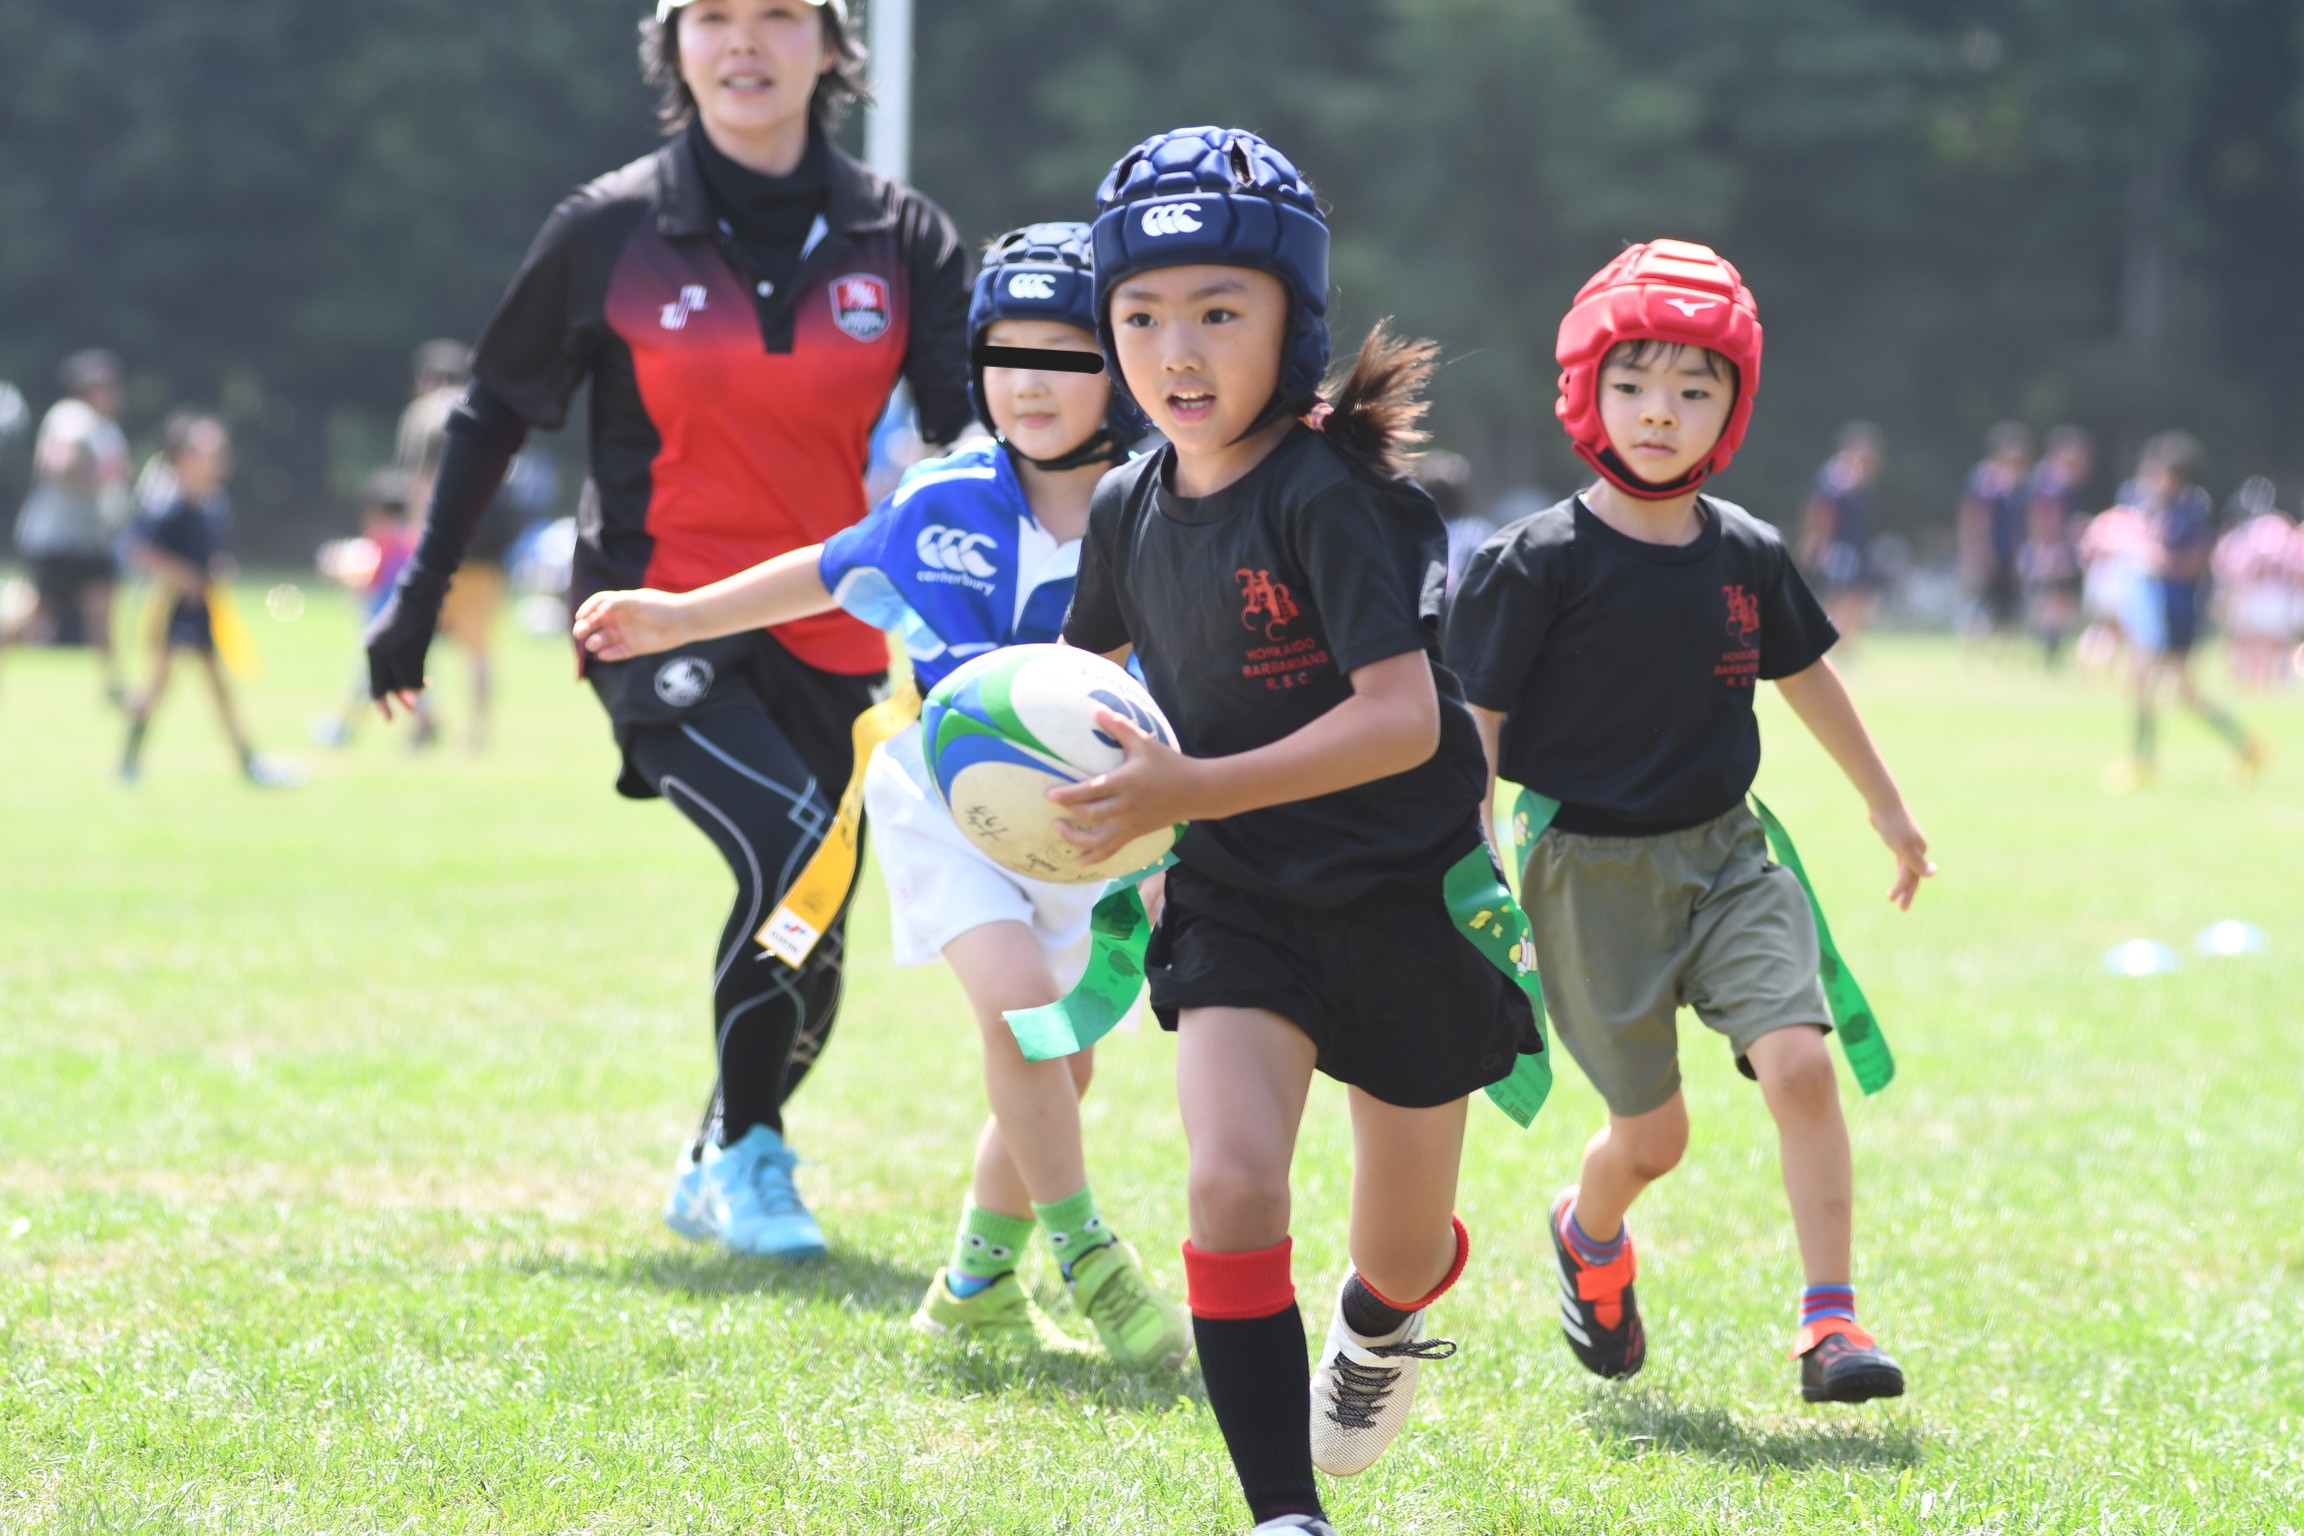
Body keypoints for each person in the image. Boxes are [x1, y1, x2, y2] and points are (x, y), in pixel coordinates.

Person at [364, 0, 971, 1259]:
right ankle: (752, 1158)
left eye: (779, 15)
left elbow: (974, 426)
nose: (744, 41)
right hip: (652, 616)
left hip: (832, 624)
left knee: (818, 907)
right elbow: (490, 414)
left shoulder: (903, 235)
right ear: (673, 42)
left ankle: (716, 1150)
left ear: (830, 44)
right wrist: (415, 603)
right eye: (712, 16)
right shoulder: (607, 228)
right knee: (791, 845)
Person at [571, 223, 1190, 1366]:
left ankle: (971, 1289)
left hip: (1098, 833)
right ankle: (1089, 1256)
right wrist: (679, 614)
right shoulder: (944, 496)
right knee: (1022, 1019)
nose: (1029, 384)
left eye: (1065, 357)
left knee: (1064, 1060)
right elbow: (827, 568)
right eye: (1005, 356)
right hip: (943, 809)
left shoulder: (1172, 507)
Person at [1049, 127, 1543, 1536]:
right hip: (1240, 898)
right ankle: (1284, 1514)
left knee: (1400, 1248)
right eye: (1141, 317)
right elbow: (1078, 689)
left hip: (1406, 899)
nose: (1177, 351)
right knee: (1228, 1182)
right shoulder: (1128, 506)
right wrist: (1007, 775)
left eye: (1219, 312)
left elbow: (1401, 722)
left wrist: (1185, 788)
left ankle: (1384, 1318)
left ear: (1292, 324)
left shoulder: (1336, 496)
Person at [1446, 239, 1934, 1407]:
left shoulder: (1747, 552)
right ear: (1588, 394)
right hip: (1583, 874)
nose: (1660, 412)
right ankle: (1589, 1232)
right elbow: (1479, 727)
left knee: (1800, 1064)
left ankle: (1831, 1324)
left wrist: (1886, 804)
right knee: (1653, 1140)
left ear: (1731, 409)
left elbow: (1807, 675)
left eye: (1691, 389)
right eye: (1633, 385)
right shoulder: (1534, 562)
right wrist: (1472, 858)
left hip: (1727, 855)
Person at [118, 413, 299, 787]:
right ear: (182, 457)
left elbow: (206, 554)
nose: (218, 459)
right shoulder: (168, 505)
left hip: (201, 609)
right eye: (207, 451)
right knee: (158, 686)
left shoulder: (213, 504)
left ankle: (247, 761)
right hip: (172, 609)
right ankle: (129, 763)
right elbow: (139, 550)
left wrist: (215, 568)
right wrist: (183, 576)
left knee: (216, 688)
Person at [2108, 433, 2266, 790]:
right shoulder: (2153, 506)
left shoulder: (2192, 510)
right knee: (2174, 690)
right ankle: (2245, 745)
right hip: (2155, 608)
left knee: (2151, 682)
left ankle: (2141, 762)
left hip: (2177, 610)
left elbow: (2196, 563)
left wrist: (2158, 562)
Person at [11, 350, 134, 703]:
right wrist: (96, 480)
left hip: (92, 539)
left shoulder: (106, 428)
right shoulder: (71, 417)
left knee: (103, 611)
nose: (113, 393)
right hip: (60, 539)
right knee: (37, 616)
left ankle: (114, 687)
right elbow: (57, 462)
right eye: (105, 386)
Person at [312, 470, 426, 747]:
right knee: (404, 679)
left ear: (378, 512)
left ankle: (342, 731)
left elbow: (368, 580)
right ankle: (423, 726)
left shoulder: (381, 542)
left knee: (366, 681)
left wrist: (336, 571)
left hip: (382, 626)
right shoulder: (413, 540)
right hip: (411, 624)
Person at [1796, 422, 1885, 649]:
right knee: (1838, 594)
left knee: (1856, 594)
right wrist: (1817, 542)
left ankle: (1845, 643)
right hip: (1838, 545)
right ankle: (1826, 641)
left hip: (1856, 544)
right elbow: (1820, 511)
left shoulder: (1861, 478)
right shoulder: (1835, 476)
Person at [2019, 425, 2092, 667]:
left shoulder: (2045, 477)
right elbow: (2044, 518)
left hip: (2046, 548)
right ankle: (2050, 650)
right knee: (2056, 601)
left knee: (2052, 602)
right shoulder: (2054, 482)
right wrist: (2050, 549)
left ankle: (2047, 648)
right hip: (2052, 550)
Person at [2212, 476, 2294, 689]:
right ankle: (2257, 675)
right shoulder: (2270, 527)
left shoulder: (2271, 527)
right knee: (2253, 637)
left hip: (2265, 590)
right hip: (2258, 590)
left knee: (2264, 637)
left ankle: (2266, 675)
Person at [1957, 421, 2033, 642]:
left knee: (2007, 605)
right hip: (1987, 553)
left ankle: (2000, 650)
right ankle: (1973, 647)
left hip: (2007, 554)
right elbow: (1973, 520)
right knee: (1980, 603)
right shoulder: (1984, 481)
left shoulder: (2016, 485)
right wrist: (1976, 553)